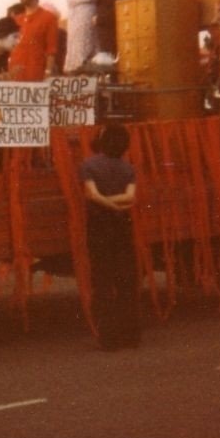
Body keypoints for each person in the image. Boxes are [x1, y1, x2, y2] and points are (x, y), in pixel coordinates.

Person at [79, 123, 139, 350]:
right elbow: (130, 198)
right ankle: (130, 335)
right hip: (123, 223)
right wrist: (117, 205)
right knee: (126, 280)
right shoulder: (128, 168)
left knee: (102, 281)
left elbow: (92, 195)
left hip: (99, 225)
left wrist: (107, 205)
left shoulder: (88, 165)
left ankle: (109, 338)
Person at [7, 0, 58, 82]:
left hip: (35, 77)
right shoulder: (15, 20)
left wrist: (48, 73)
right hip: (14, 78)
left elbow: (51, 50)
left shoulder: (48, 18)